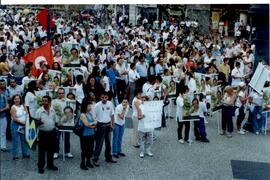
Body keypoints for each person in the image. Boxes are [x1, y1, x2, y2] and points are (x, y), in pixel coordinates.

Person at [92, 91, 117, 166]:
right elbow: (94, 116)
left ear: (108, 97)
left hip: (108, 125)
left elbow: (112, 114)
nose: (104, 99)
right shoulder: (97, 105)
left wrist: (113, 124)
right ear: (100, 97)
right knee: (99, 143)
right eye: (103, 97)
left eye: (106, 97)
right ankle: (95, 158)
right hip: (100, 125)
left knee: (108, 143)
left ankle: (108, 157)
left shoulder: (110, 103)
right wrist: (95, 126)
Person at [36, 96, 58, 174]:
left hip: (52, 133)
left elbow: (55, 121)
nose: (44, 102)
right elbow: (36, 122)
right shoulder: (39, 111)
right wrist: (38, 122)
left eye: (46, 101)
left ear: (49, 102)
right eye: (43, 101)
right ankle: (40, 167)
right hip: (43, 133)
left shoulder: (53, 110)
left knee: (51, 150)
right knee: (41, 151)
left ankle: (50, 165)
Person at [52, 88, 73, 159]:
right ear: (57, 94)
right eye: (59, 93)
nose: (61, 94)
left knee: (67, 137)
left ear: (64, 93)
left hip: (66, 122)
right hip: (57, 122)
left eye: (62, 93)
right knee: (56, 138)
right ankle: (56, 152)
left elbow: (72, 110)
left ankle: (67, 152)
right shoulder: (53, 101)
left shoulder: (68, 101)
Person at [133, 88, 154, 158]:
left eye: (145, 100)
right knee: (142, 139)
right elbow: (139, 117)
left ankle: (148, 150)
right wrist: (142, 116)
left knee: (150, 139)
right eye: (143, 100)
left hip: (149, 126)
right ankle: (142, 151)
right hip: (142, 126)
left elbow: (154, 116)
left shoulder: (151, 107)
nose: (144, 101)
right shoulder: (140, 107)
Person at [10, 94, 30, 160]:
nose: (17, 100)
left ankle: (25, 153)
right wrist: (22, 123)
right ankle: (15, 155)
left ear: (20, 99)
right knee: (15, 140)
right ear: (13, 100)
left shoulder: (23, 106)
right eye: (15, 99)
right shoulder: (13, 107)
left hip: (24, 125)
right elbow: (14, 118)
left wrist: (26, 123)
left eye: (18, 98)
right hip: (16, 125)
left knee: (24, 140)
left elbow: (27, 114)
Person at [79, 101, 97, 170]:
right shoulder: (82, 115)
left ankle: (88, 162)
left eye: (90, 106)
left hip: (91, 134)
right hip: (85, 135)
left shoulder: (90, 114)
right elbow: (86, 124)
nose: (90, 107)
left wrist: (91, 124)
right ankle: (82, 163)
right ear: (85, 106)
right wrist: (93, 125)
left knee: (90, 149)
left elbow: (96, 121)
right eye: (89, 106)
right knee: (84, 149)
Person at [0, 79, 10, 152]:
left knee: (3, 132)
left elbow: (8, 104)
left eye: (3, 84)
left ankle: (3, 146)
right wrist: (4, 108)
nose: (2, 85)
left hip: (4, 115)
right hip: (2, 113)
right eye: (1, 84)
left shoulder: (6, 92)